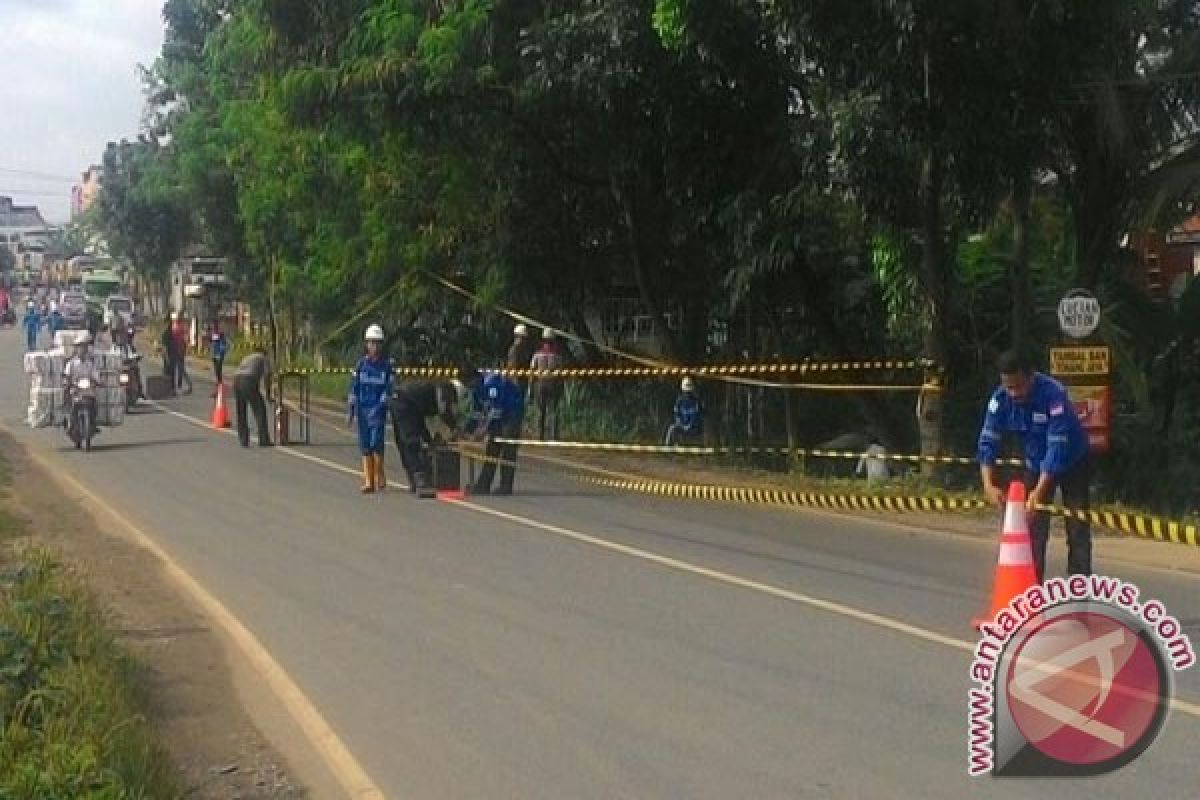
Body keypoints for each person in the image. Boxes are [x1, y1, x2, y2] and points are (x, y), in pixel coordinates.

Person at [977, 349, 1092, 583]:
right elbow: (988, 440)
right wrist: (988, 483)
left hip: (1073, 461)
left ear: (1031, 377)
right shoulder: (1000, 400)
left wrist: (1039, 492)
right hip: (1035, 461)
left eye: (1018, 386)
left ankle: (1080, 590)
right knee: (1032, 526)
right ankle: (1032, 588)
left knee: (1077, 526)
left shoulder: (1053, 394)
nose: (1014, 393)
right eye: (1009, 387)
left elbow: (1056, 448)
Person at [391, 377, 465, 492]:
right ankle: (418, 477)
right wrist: (454, 428)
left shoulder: (435, 389)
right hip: (405, 403)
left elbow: (427, 418)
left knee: (409, 441)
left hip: (407, 403)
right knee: (410, 441)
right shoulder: (439, 392)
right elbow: (443, 413)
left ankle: (415, 477)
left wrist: (430, 439)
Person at [347, 324, 394, 493]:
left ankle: (379, 471)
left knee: (376, 444)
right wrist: (351, 410)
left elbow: (389, 389)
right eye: (371, 342)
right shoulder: (360, 365)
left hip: (377, 411)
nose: (374, 346)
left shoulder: (386, 367)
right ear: (366, 344)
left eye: (377, 343)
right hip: (362, 410)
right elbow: (354, 388)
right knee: (365, 445)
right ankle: (369, 481)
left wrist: (382, 405)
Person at [467, 370, 525, 495]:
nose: (469, 386)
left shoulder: (492, 383)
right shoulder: (476, 389)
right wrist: (467, 430)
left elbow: (495, 409)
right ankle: (483, 484)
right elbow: (477, 412)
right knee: (492, 448)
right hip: (498, 416)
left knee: (508, 448)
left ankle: (506, 486)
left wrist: (483, 429)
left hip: (512, 412)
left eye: (469, 382)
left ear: (476, 378)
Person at [232, 346, 273, 448]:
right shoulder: (263, 358)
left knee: (241, 411)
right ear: (264, 353)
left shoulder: (248, 357)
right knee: (260, 410)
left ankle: (243, 440)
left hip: (236, 380)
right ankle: (264, 440)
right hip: (248, 381)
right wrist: (268, 394)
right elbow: (267, 376)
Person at [63, 331, 101, 437]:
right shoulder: (71, 363)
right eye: (80, 347)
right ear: (76, 349)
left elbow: (95, 375)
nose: (82, 350)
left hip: (88, 391)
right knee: (71, 408)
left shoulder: (90, 364)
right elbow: (67, 375)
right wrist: (68, 382)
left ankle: (93, 424)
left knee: (94, 406)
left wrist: (96, 381)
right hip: (75, 391)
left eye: (84, 347)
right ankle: (71, 425)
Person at [530, 328, 564, 440]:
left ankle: (539, 435)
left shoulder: (537, 355)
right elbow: (561, 374)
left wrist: (531, 387)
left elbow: (532, 372)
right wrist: (561, 388)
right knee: (553, 411)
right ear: (553, 340)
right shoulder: (557, 356)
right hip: (553, 384)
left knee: (540, 411)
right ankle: (554, 436)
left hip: (540, 383)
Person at [665, 377, 703, 446]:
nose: (687, 394)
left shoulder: (696, 401)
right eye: (686, 392)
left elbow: (697, 416)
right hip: (682, 426)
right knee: (672, 429)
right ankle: (668, 449)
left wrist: (689, 426)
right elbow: (677, 415)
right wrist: (681, 425)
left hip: (694, 427)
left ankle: (701, 446)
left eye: (689, 392)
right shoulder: (679, 401)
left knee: (702, 429)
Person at [170, 312, 193, 394]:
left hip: (178, 349)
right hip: (179, 349)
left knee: (179, 368)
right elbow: (185, 338)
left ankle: (183, 385)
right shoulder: (179, 327)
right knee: (179, 368)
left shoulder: (176, 327)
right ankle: (178, 385)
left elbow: (180, 339)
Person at [208, 322, 229, 393]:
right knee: (217, 373)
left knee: (218, 372)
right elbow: (211, 342)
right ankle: (218, 389)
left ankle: (219, 390)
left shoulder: (219, 335)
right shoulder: (216, 335)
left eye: (212, 327)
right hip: (215, 355)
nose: (211, 328)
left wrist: (220, 354)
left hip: (218, 355)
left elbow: (222, 345)